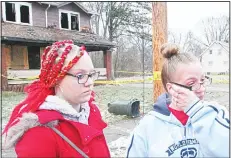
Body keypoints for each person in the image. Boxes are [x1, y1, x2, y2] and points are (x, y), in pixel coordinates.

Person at [2, 40, 110, 158]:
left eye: (91, 74)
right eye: (80, 76)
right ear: (57, 79)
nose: (90, 82)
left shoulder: (91, 112)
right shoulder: (39, 133)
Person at [126, 43, 229, 157]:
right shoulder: (147, 126)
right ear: (171, 88)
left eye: (202, 80)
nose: (201, 89)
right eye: (191, 83)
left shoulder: (217, 114)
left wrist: (198, 112)